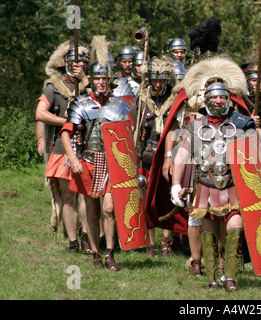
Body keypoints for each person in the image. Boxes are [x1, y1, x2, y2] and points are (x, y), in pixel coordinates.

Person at [145, 56, 256, 277]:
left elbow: (249, 145)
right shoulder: (187, 99)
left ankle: (221, 259)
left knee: (226, 215)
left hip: (224, 165)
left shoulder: (232, 109)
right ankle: (197, 260)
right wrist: (169, 156)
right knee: (196, 216)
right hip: (193, 160)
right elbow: (173, 130)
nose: (217, 99)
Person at [170, 80, 256, 291]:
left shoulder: (241, 124)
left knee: (235, 229)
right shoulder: (196, 126)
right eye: (215, 97)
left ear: (228, 99)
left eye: (223, 97)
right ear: (206, 99)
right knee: (208, 234)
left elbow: (253, 156)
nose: (219, 101)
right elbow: (181, 155)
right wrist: (175, 184)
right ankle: (212, 278)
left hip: (232, 186)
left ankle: (230, 278)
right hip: (206, 186)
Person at [60, 60, 132, 271]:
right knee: (91, 212)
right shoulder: (80, 103)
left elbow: (127, 136)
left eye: (104, 78)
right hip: (88, 162)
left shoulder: (120, 105)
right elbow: (66, 133)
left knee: (109, 209)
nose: (101, 82)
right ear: (92, 79)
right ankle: (96, 253)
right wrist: (73, 159)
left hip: (112, 163)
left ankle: (110, 253)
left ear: (110, 80)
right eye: (97, 78)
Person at [35, 40, 92, 253]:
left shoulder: (92, 85)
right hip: (62, 147)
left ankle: (87, 236)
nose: (79, 65)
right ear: (65, 62)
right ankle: (73, 242)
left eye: (83, 62)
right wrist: (66, 121)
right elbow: (40, 113)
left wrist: (85, 81)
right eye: (75, 61)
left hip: (88, 146)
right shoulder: (54, 87)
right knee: (69, 196)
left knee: (87, 195)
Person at [132, 56, 177, 257]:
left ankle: (167, 242)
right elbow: (132, 127)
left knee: (168, 198)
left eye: (161, 80)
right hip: (146, 154)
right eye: (154, 80)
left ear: (167, 80)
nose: (157, 84)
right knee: (146, 199)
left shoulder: (174, 100)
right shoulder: (141, 98)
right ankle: (150, 243)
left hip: (168, 155)